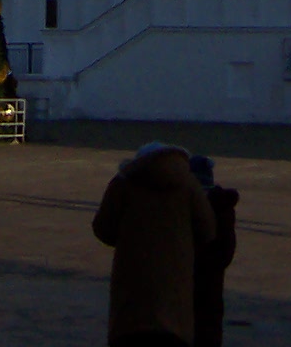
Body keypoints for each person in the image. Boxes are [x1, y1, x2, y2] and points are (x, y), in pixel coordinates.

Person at [92, 143, 215, 347]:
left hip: (131, 302)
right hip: (175, 300)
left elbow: (103, 229)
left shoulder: (124, 183)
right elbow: (208, 231)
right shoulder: (188, 184)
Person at [188, 155, 238, 347]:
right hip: (212, 284)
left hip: (191, 281)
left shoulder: (187, 203)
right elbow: (226, 251)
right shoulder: (222, 205)